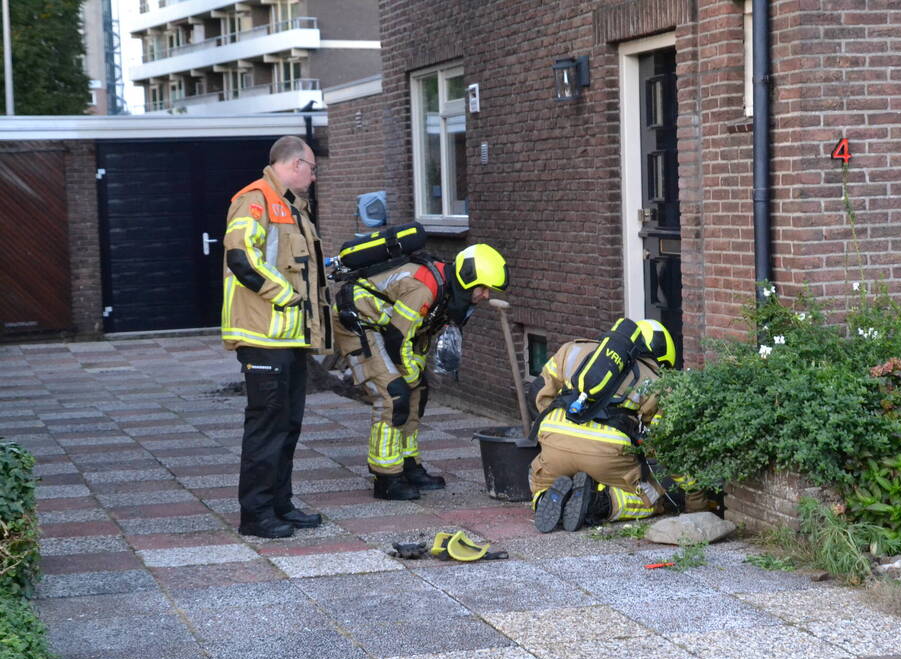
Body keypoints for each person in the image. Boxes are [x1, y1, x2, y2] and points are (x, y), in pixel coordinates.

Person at [334, 243, 509, 500]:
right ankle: (386, 478)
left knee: (417, 391)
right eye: (483, 288)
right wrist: (409, 375)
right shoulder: (424, 288)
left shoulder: (448, 291)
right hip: (359, 323)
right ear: (467, 278)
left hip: (388, 329)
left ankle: (408, 465)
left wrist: (416, 377)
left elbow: (417, 336)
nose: (485, 295)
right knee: (393, 394)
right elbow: (398, 338)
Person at [221, 135, 332, 538]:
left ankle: (280, 505)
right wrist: (287, 297)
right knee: (266, 428)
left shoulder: (290, 206)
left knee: (287, 426)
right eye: (313, 167)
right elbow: (241, 257)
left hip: (288, 339)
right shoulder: (256, 199)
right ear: (295, 163)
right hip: (263, 335)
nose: (315, 176)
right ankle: (256, 515)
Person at [530, 319, 699, 532]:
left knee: (538, 481)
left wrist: (555, 432)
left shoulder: (572, 349)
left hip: (555, 439)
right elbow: (667, 447)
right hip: (606, 454)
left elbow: (537, 393)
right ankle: (597, 503)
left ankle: (545, 497)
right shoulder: (657, 381)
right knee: (652, 498)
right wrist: (696, 501)